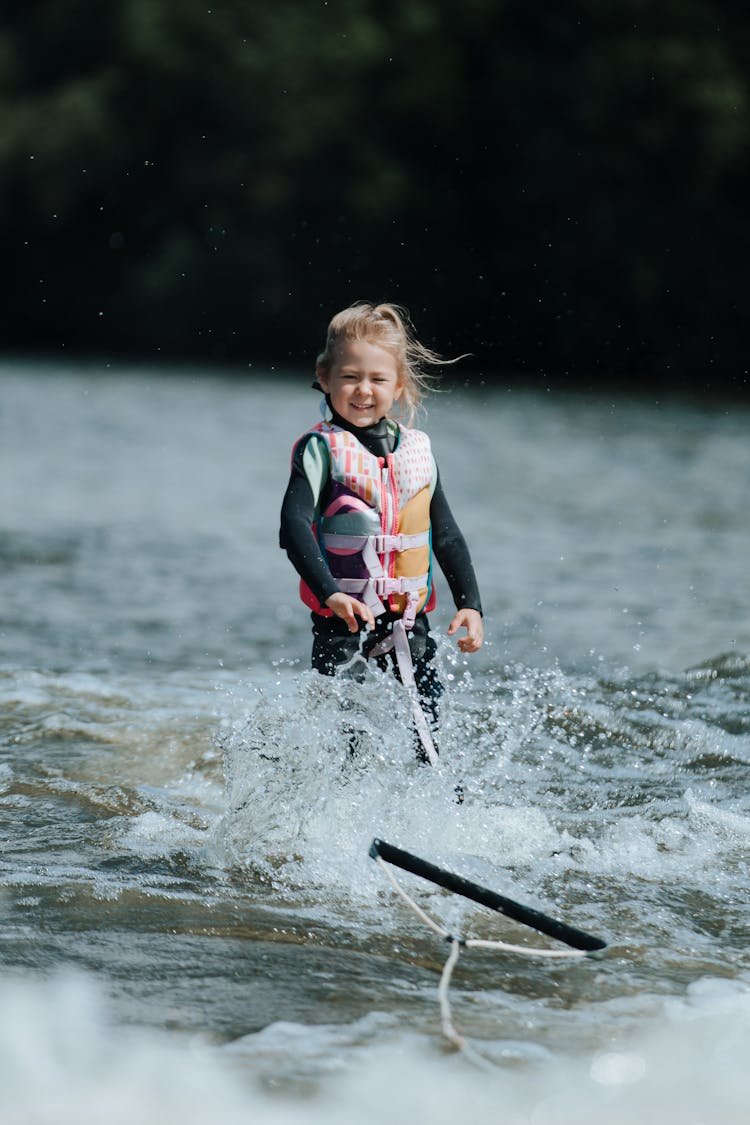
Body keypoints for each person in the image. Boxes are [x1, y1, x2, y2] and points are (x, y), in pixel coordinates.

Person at [279, 302, 483, 763]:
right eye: (350, 377)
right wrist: (330, 593)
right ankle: (336, 815)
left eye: (377, 379)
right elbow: (292, 526)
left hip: (410, 622)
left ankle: (434, 811)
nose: (363, 390)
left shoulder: (418, 452)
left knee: (426, 729)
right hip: (342, 622)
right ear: (325, 377)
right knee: (346, 738)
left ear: (400, 386)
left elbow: (446, 533)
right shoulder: (320, 450)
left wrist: (471, 604)